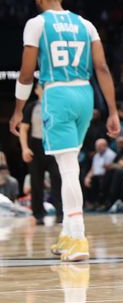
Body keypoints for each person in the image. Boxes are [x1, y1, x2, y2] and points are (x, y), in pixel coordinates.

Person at [10, 0, 120, 262]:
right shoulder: (86, 24)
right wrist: (113, 110)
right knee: (68, 164)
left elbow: (25, 74)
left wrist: (18, 109)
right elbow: (102, 68)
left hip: (57, 93)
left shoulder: (37, 24)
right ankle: (69, 233)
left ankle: (79, 236)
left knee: (68, 168)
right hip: (84, 94)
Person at [19, 81, 63, 224]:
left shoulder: (57, 105)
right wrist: (25, 148)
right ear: (36, 90)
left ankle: (60, 213)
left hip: (53, 146)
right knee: (36, 182)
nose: (44, 89)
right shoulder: (31, 107)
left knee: (58, 179)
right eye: (41, 87)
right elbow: (24, 129)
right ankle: (38, 214)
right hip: (36, 147)